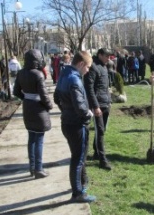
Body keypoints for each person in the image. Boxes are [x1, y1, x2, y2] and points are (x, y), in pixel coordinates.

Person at [54, 51, 96, 203]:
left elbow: (56, 98)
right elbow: (80, 107)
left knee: (76, 157)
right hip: (77, 125)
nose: (88, 70)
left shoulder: (64, 75)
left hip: (67, 121)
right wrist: (88, 115)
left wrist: (66, 110)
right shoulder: (75, 80)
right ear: (80, 64)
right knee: (78, 160)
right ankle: (77, 193)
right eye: (87, 67)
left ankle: (80, 185)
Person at [13, 49, 53, 179]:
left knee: (31, 138)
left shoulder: (21, 73)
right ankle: (38, 169)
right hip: (38, 109)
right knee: (39, 139)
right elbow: (44, 95)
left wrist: (26, 98)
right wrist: (49, 106)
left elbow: (16, 92)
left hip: (28, 107)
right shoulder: (38, 74)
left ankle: (32, 167)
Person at [84, 48, 112, 170]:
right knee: (99, 131)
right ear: (100, 55)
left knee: (102, 129)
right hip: (98, 106)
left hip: (106, 104)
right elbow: (89, 88)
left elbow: (105, 86)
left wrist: (109, 100)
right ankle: (102, 159)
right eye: (106, 56)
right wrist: (95, 106)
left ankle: (96, 151)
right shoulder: (93, 67)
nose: (108, 58)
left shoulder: (105, 67)